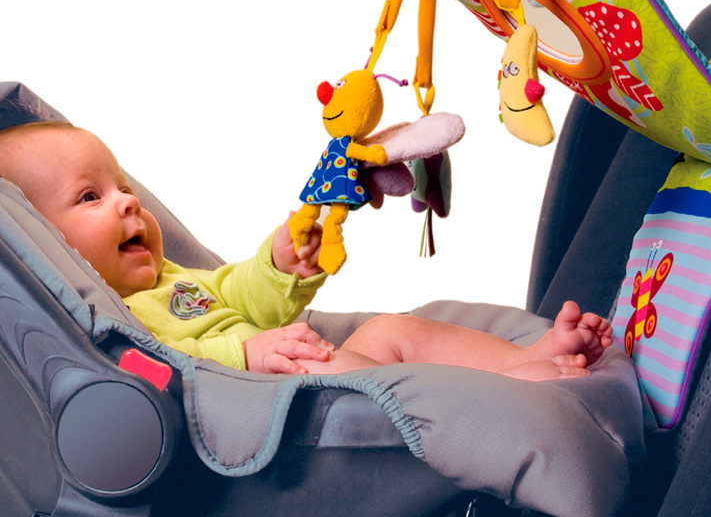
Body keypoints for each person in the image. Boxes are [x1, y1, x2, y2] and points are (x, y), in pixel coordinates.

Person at [0, 120, 612, 380]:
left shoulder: (170, 281)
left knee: (392, 330)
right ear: (39, 241)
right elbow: (160, 368)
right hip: (266, 415)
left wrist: (278, 263)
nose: (128, 202)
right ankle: (517, 389)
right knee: (336, 367)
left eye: (123, 186)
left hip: (306, 373)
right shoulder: (98, 326)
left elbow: (236, 294)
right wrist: (246, 353)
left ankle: (522, 361)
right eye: (90, 197)